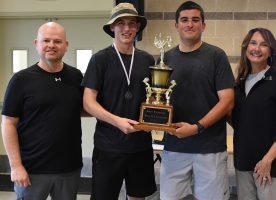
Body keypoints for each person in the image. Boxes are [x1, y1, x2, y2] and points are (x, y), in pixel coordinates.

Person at [159, 1, 235, 200]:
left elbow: (227, 101)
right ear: (176, 25)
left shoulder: (217, 56)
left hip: (209, 148)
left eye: (195, 20)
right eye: (184, 20)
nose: (190, 24)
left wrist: (197, 128)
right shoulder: (164, 60)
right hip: (174, 146)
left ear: (203, 25)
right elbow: (158, 100)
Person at [81, 3, 156, 200]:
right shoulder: (100, 59)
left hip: (140, 145)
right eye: (120, 23)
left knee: (138, 196)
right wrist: (117, 121)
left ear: (138, 27)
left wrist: (156, 121)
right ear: (112, 27)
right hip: (109, 146)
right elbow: (88, 102)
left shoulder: (148, 60)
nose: (127, 28)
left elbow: (154, 99)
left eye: (132, 23)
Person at [1, 22, 83, 200]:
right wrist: (16, 166)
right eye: (46, 40)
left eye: (57, 41)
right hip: (31, 171)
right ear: (36, 43)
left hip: (69, 169)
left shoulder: (76, 77)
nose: (51, 45)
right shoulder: (20, 80)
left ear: (66, 46)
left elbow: (83, 108)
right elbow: (8, 124)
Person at [231, 28, 276, 200]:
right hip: (243, 164)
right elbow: (240, 121)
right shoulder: (239, 83)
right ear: (246, 47)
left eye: (264, 44)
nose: (257, 48)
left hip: (270, 166)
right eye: (253, 43)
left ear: (271, 51)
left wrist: (267, 160)